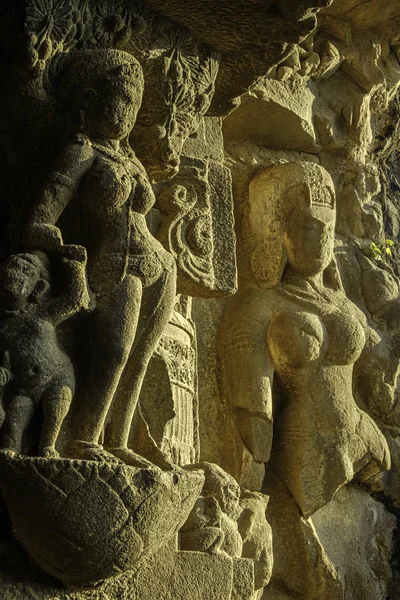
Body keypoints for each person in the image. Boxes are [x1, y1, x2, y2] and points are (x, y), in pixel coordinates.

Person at [25, 50, 177, 466]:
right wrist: (60, 249)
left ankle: (119, 439)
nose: (129, 115)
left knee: (140, 358)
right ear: (91, 98)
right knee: (114, 351)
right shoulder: (81, 151)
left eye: (136, 106)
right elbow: (39, 220)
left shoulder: (128, 159)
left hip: (160, 266)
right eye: (123, 100)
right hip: (114, 263)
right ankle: (85, 438)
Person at [222, 162, 390, 516]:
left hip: (364, 436)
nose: (323, 237)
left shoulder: (342, 304)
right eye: (309, 227)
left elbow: (382, 378)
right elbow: (252, 401)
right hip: (303, 448)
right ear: (278, 230)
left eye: (328, 227)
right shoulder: (259, 306)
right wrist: (249, 478)